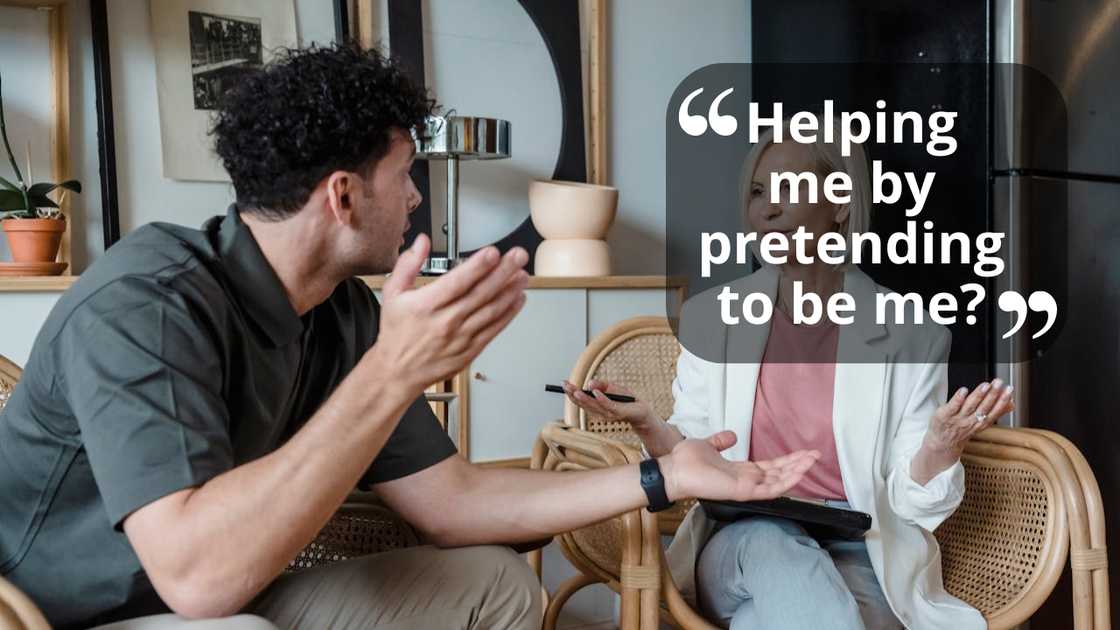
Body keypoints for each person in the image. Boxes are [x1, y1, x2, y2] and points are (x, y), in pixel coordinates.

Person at [0, 44, 820, 630]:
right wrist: (394, 370)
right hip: (61, 612)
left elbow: (453, 502)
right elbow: (197, 577)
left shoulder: (340, 312)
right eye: (407, 176)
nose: (419, 201)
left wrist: (663, 475)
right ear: (344, 197)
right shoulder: (149, 302)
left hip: (231, 588)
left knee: (494, 585)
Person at [563, 123, 1013, 630]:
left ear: (841, 204)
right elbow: (694, 455)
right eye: (758, 193)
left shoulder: (913, 333)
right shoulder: (714, 318)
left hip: (860, 550)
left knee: (765, 620)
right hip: (741, 541)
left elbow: (912, 506)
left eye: (788, 191)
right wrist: (649, 423)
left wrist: (940, 446)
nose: (766, 209)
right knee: (771, 546)